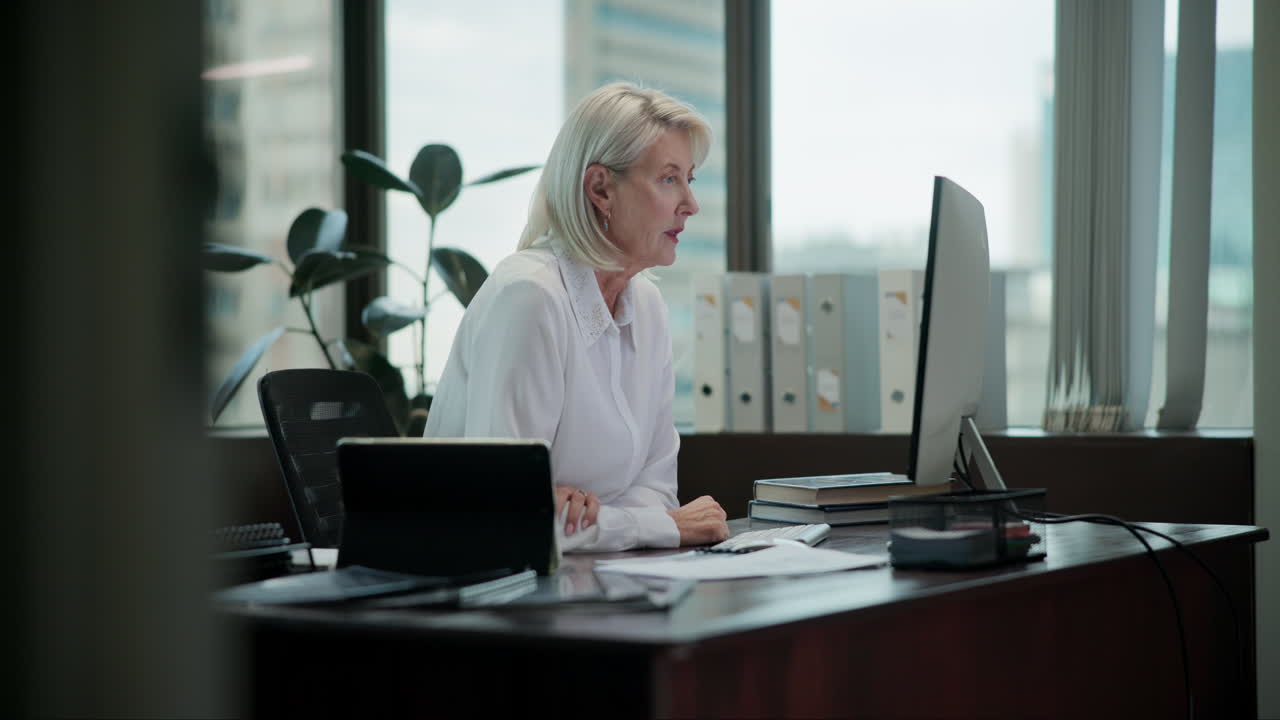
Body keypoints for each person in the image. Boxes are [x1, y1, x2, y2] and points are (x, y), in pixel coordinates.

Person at [424, 82, 730, 552]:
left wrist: (596, 519)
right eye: (669, 179)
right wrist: (654, 525)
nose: (690, 203)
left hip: (587, 576)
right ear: (600, 189)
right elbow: (506, 516)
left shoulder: (648, 308)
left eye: (689, 179)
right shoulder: (529, 296)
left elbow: (658, 490)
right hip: (474, 582)